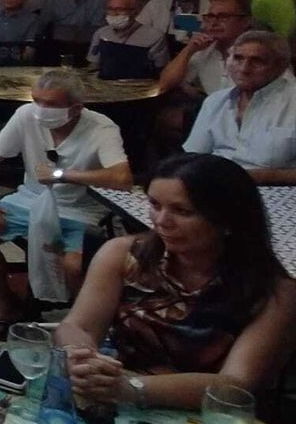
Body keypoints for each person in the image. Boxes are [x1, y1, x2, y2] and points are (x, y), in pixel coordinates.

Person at [54, 154, 296, 409]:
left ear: (227, 220)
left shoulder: (274, 290)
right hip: (118, 393)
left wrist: (130, 388)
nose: (161, 221)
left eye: (182, 211)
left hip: (209, 416)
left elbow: (235, 385)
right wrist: (78, 355)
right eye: (155, 205)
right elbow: (79, 325)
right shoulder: (124, 255)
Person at [0, 70, 133, 336]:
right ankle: (6, 304)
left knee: (74, 266)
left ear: (75, 108)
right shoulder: (25, 115)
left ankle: (85, 323)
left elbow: (122, 178)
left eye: (51, 104)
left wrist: (63, 175)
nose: (40, 110)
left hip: (82, 208)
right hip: (31, 198)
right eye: (36, 100)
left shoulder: (101, 128)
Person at [183, 31, 296, 184]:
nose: (244, 68)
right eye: (238, 58)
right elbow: (194, 157)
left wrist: (259, 177)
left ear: (280, 66)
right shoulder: (215, 101)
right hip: (216, 189)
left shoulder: (292, 102)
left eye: (257, 61)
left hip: (277, 191)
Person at [157, 0, 256, 97]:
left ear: (246, 21)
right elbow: (165, 84)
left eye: (223, 17)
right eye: (210, 16)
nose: (214, 23)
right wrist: (189, 50)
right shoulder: (204, 48)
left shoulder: (259, 51)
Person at [87, 0, 168, 79]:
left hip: (140, 87)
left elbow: (161, 69)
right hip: (106, 86)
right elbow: (93, 65)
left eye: (120, 9)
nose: (114, 13)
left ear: (135, 11)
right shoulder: (101, 33)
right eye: (110, 9)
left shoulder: (154, 36)